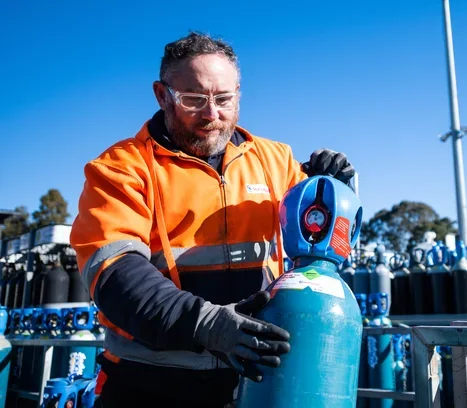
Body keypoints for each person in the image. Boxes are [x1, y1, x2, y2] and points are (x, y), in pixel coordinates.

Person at [70, 31, 356, 408]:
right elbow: (113, 272)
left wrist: (338, 192)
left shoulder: (277, 162)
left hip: (255, 382)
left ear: (239, 93)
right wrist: (206, 325)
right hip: (149, 386)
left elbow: (327, 247)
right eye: (193, 100)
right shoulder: (120, 169)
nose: (211, 114)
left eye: (224, 99)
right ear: (162, 95)